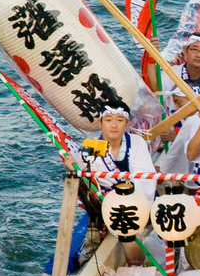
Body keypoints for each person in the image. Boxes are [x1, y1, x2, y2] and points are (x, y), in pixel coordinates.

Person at [64, 103, 157, 265]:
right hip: (104, 206)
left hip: (134, 202)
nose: (114, 125)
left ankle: (136, 266)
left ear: (127, 124)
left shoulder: (136, 142)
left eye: (120, 120)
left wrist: (128, 203)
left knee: (131, 234)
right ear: (100, 123)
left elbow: (145, 178)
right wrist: (73, 168)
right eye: (108, 120)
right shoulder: (90, 148)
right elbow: (84, 186)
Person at [153, 33, 200, 116]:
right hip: (174, 126)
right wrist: (152, 55)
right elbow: (156, 87)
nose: (199, 55)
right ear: (185, 52)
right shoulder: (173, 73)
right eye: (194, 50)